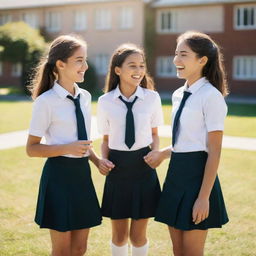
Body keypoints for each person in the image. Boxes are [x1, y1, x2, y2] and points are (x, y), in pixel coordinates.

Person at [144, 31, 229, 256]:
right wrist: (164, 153)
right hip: (176, 174)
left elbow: (214, 151)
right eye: (175, 54)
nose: (176, 61)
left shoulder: (211, 96)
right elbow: (188, 141)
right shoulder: (178, 94)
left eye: (183, 55)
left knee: (191, 252)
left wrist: (203, 198)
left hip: (197, 177)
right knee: (178, 250)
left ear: (202, 60)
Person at [26, 35, 104, 256]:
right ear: (61, 64)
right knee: (62, 250)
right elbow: (31, 148)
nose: (85, 66)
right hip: (58, 177)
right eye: (79, 60)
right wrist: (66, 148)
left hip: (82, 175)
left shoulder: (86, 97)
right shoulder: (45, 102)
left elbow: (83, 142)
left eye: (85, 60)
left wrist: (97, 161)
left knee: (80, 249)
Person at [97, 43, 164, 256]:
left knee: (138, 236)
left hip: (143, 167)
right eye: (132, 66)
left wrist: (156, 153)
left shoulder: (152, 98)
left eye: (141, 66)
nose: (138, 71)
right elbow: (105, 139)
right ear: (118, 70)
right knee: (118, 236)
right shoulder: (105, 101)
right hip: (117, 169)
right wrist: (103, 161)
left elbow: (154, 134)